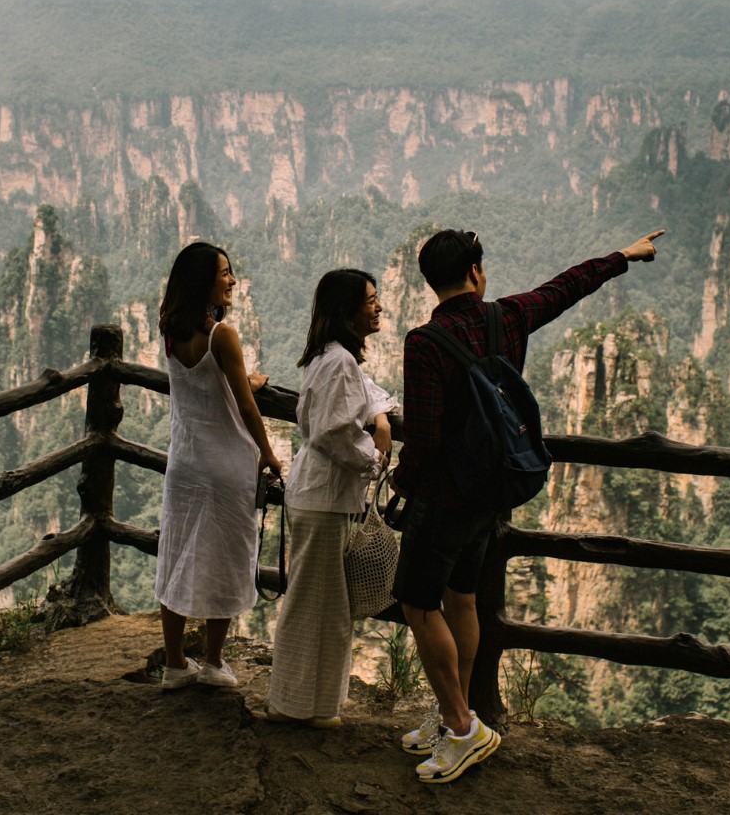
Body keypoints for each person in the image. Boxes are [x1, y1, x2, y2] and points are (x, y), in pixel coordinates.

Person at [393, 227, 665, 783]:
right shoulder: (508, 317)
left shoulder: (424, 343)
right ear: (476, 272)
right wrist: (622, 256)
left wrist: (401, 480)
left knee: (419, 606)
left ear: (430, 282)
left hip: (443, 498)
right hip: (492, 492)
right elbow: (566, 287)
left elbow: (421, 439)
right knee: (462, 599)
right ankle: (457, 714)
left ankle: (462, 728)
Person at [267, 269, 398, 727]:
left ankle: (312, 705)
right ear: (347, 311)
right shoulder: (339, 361)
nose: (378, 306)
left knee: (323, 607)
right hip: (323, 497)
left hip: (319, 496)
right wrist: (377, 458)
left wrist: (380, 414)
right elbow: (333, 432)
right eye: (370, 300)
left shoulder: (331, 356)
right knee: (314, 607)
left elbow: (368, 394)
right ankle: (297, 708)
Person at [155, 241, 284, 689]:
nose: (232, 280)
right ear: (203, 281)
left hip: (185, 465)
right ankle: (212, 662)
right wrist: (268, 453)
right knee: (227, 557)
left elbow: (204, 376)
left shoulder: (169, 328)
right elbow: (247, 408)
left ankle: (174, 664)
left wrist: (240, 375)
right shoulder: (222, 336)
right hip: (227, 465)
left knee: (177, 555)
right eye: (224, 273)